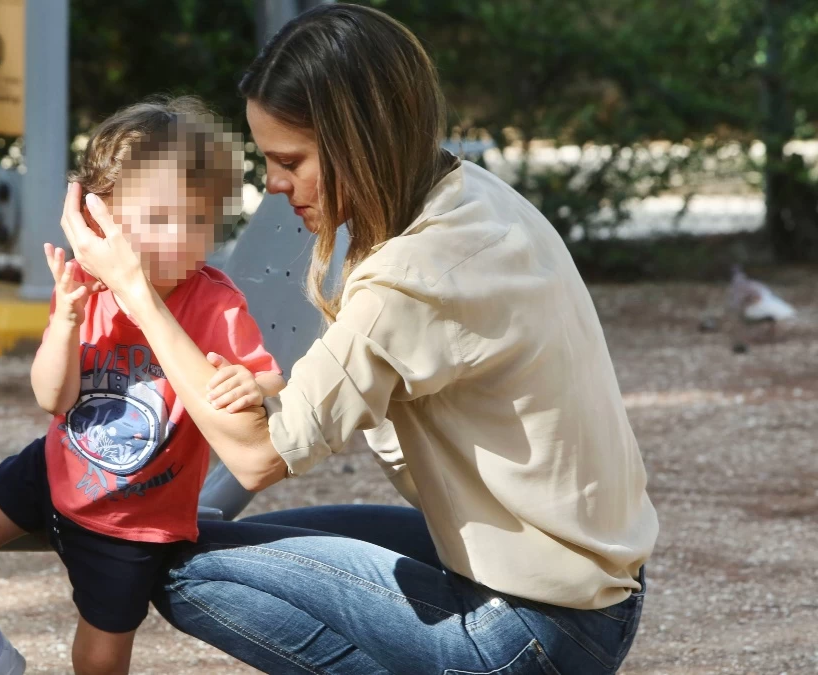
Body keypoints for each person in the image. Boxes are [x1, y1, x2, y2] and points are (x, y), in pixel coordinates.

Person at [57, 5, 659, 674]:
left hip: (531, 631)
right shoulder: (474, 200)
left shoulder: (414, 275)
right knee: (243, 540)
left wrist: (134, 291)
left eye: (290, 160)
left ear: (358, 141)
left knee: (178, 570)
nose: (273, 183)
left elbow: (256, 457)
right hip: (590, 592)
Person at [0, 95, 285, 675]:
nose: (182, 239)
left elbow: (267, 374)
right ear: (102, 222)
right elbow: (54, 398)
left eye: (199, 220)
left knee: (99, 656)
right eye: (159, 219)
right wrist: (66, 320)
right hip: (57, 465)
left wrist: (252, 383)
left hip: (135, 511)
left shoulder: (215, 303)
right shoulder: (86, 289)